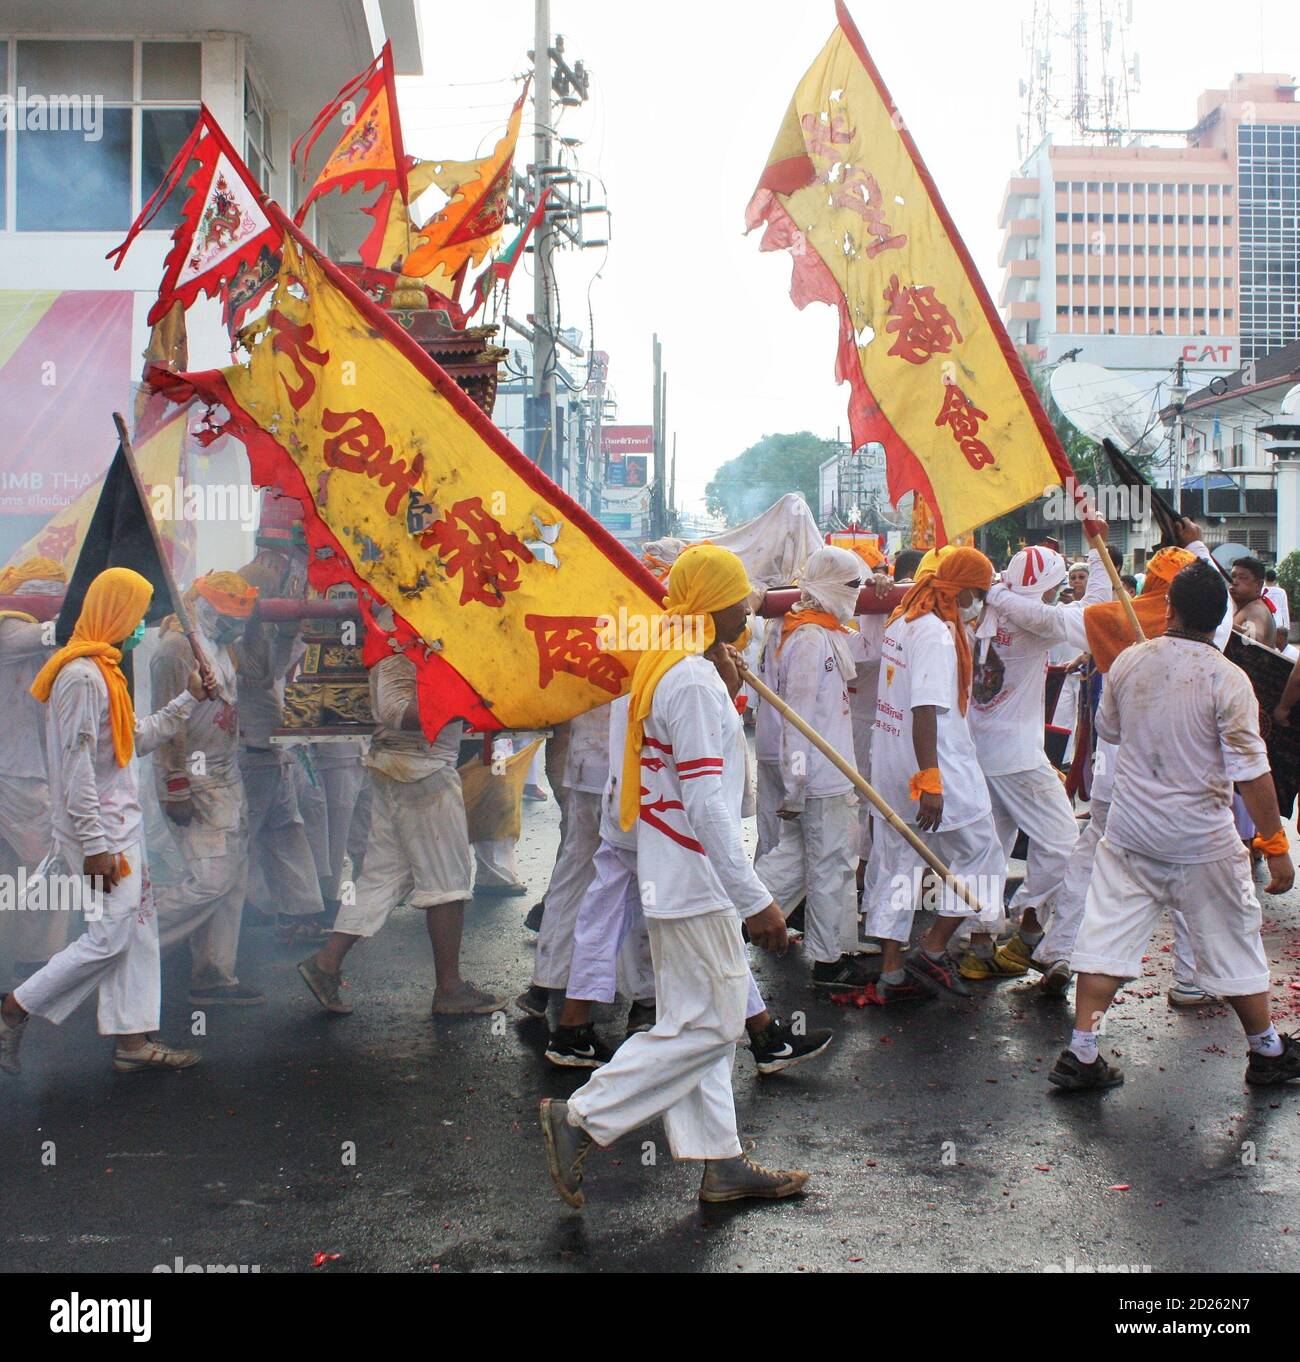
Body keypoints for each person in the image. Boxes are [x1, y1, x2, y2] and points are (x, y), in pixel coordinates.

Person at [540, 546, 809, 1207]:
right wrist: (756, 899)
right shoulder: (689, 680)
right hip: (694, 881)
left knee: (699, 1023)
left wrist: (728, 689)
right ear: (714, 604)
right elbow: (706, 803)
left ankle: (722, 1163)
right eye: (740, 598)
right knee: (712, 1026)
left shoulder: (671, 664)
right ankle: (582, 1118)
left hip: (676, 876)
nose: (749, 610)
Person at [1050, 559, 1300, 1090]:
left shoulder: (1129, 661)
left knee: (1106, 939)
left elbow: (1111, 731)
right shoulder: (1228, 678)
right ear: (1220, 618)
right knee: (1235, 938)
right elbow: (1252, 772)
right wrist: (1275, 845)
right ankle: (1266, 1051)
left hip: (1132, 833)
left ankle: (1082, 1051)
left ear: (1168, 608)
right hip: (1201, 840)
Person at [545, 692, 832, 1075]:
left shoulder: (650, 667)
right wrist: (753, 901)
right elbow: (702, 791)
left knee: (601, 918)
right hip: (667, 821)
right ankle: (763, 1035)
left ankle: (572, 1029)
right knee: (714, 920)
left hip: (629, 810)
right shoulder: (686, 677)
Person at [0, 569, 207, 1075]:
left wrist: (189, 699)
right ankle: (14, 1009)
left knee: (136, 933)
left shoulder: (105, 671)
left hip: (120, 828)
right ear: (114, 612)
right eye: (136, 614)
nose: (140, 626)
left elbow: (135, 739)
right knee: (110, 937)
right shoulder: (81, 676)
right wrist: (94, 846)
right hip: (100, 835)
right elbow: (75, 771)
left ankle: (132, 1041)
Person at [298, 642, 505, 1017]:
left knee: (382, 877)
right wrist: (463, 702)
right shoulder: (398, 639)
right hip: (420, 773)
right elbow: (394, 711)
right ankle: (450, 988)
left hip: (407, 768)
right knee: (447, 884)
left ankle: (326, 963)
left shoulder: (418, 636)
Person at [861, 547, 1006, 1001]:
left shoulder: (902, 620)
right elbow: (924, 708)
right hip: (935, 766)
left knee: (897, 865)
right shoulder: (936, 635)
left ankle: (891, 973)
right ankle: (933, 947)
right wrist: (931, 780)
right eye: (979, 594)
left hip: (892, 764)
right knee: (984, 853)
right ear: (961, 590)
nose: (980, 604)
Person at [964, 537, 1109, 981]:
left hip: (977, 749)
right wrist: (1098, 550)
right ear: (1047, 588)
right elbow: (1094, 610)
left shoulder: (983, 608)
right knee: (1064, 843)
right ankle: (1027, 931)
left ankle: (979, 945)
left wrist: (996, 591)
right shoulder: (1038, 621)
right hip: (1018, 758)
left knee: (988, 850)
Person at [754, 546, 871, 990]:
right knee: (829, 866)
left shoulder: (825, 631)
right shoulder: (806, 638)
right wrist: (796, 786)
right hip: (819, 780)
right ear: (829, 585)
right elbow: (796, 719)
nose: (857, 594)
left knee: (794, 863)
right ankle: (827, 961)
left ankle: (728, 920)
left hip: (829, 776)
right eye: (853, 585)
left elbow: (872, 647)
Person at [153, 572, 264, 1007]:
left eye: (241, 620)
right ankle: (125, 944)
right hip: (193, 778)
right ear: (200, 608)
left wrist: (255, 631)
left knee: (233, 878)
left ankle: (214, 974)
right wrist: (175, 785)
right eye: (227, 617)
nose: (234, 627)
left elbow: (261, 674)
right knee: (210, 879)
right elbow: (167, 722)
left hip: (226, 774)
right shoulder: (175, 649)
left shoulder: (222, 645)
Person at [516, 704, 610, 1019]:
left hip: (582, 761)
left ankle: (547, 982)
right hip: (619, 768)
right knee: (632, 878)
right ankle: (644, 1002)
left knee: (575, 872)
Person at [0, 558, 67, 983]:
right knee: (49, 866)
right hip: (17, 773)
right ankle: (36, 964)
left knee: (14, 872)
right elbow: (57, 631)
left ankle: (22, 961)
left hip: (21, 769)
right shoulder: (8, 630)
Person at [1230, 555, 1275, 644]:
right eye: (1233, 576)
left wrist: (1225, 624)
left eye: (1242, 578)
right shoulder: (1242, 605)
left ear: (1258, 585)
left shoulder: (1256, 609)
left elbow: (1254, 638)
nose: (1234, 582)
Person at [1263, 568, 1291, 651]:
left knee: (1265, 645)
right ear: (1275, 579)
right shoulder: (1281, 592)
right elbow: (1284, 610)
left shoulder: (1262, 591)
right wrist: (1286, 626)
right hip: (1278, 622)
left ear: (1265, 578)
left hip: (1264, 621)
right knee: (1277, 646)